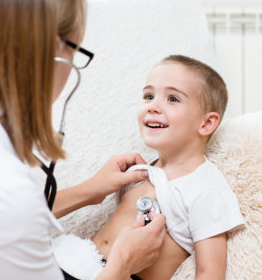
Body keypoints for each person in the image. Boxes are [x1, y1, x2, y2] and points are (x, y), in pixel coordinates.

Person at [0, 0, 166, 279]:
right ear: (52, 55)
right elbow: (6, 214)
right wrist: (122, 266)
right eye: (75, 49)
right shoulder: (5, 191)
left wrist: (90, 191)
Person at [53, 55, 245, 280]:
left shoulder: (207, 189)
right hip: (70, 261)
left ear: (206, 123)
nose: (153, 106)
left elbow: (209, 273)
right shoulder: (137, 172)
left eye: (172, 98)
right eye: (149, 96)